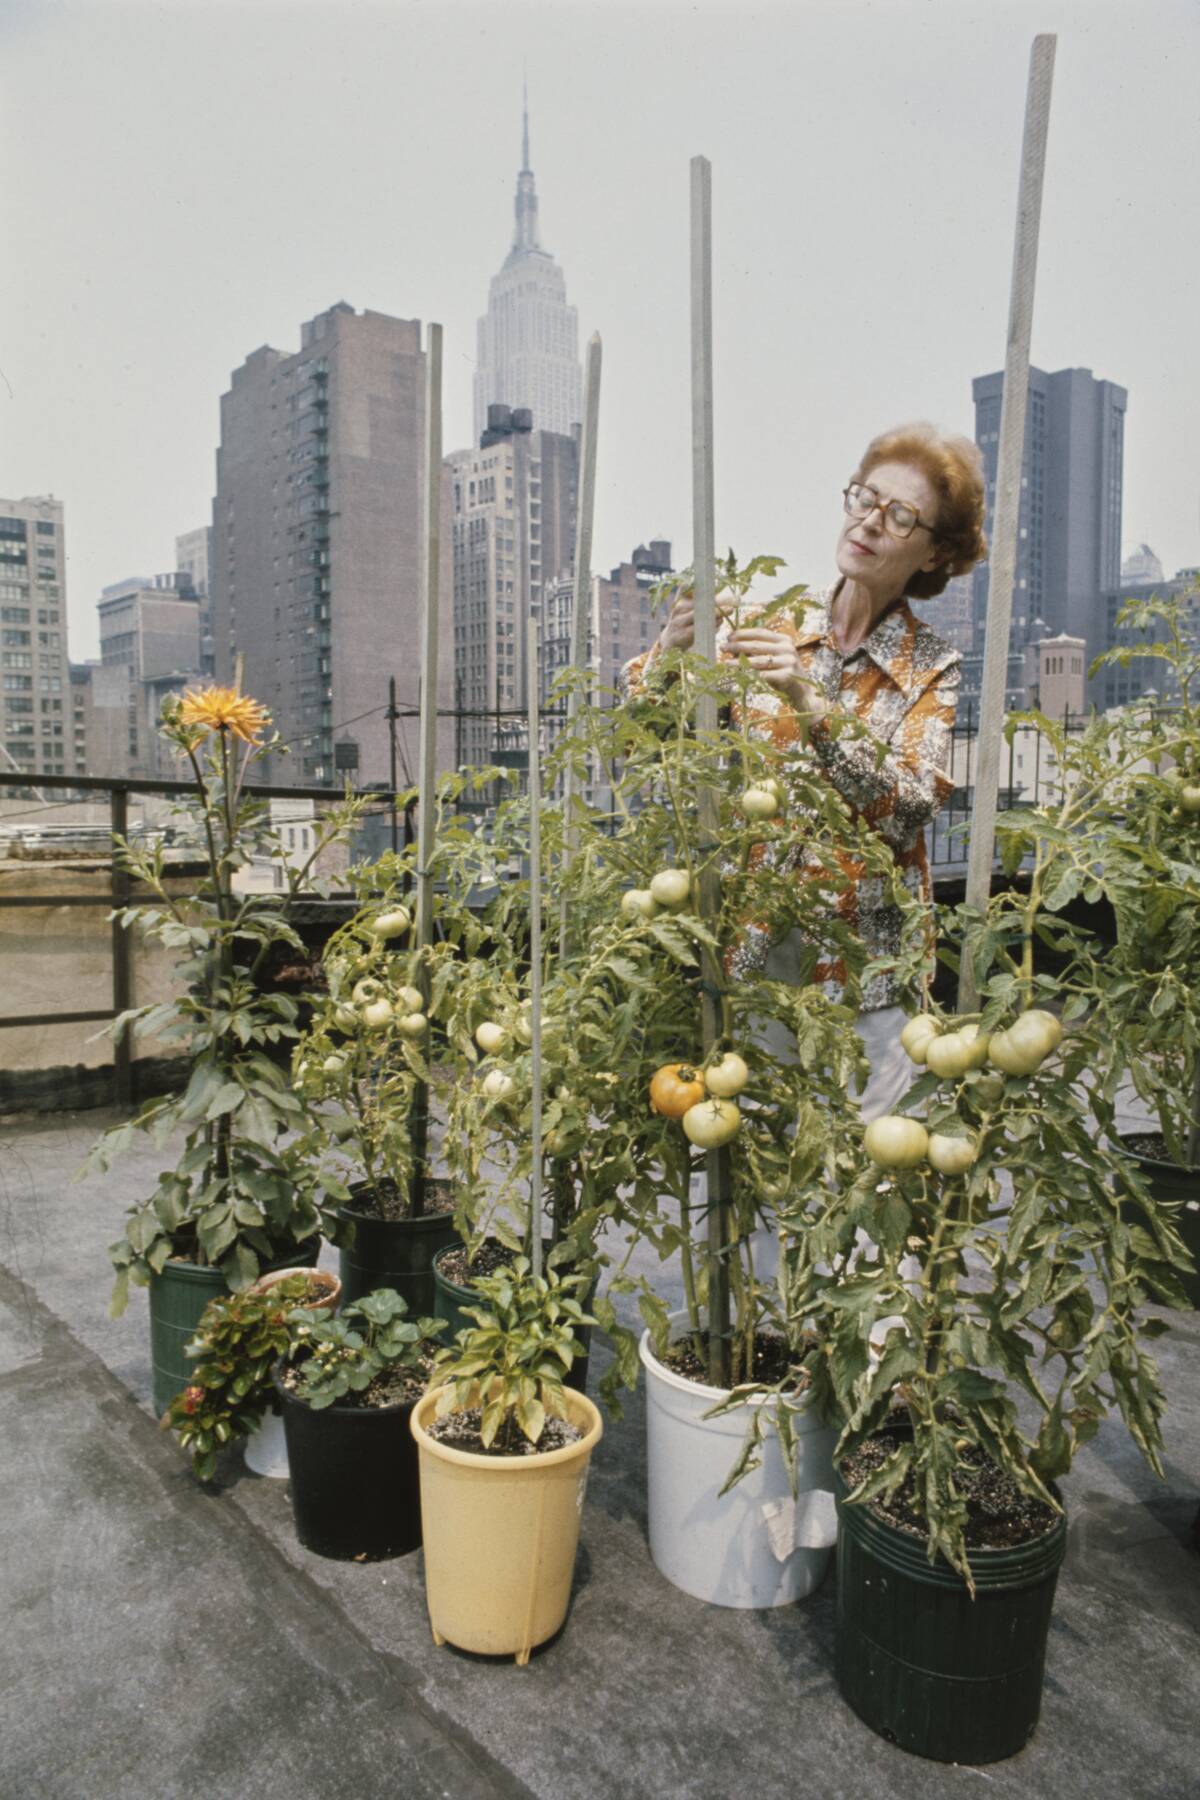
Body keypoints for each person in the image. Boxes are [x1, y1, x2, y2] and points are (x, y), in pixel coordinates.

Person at [623, 421, 987, 1120]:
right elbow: (648, 742)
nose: (869, 522)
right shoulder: (774, 623)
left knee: (867, 1165)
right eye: (865, 497)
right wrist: (667, 655)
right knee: (756, 1160)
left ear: (936, 553)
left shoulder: (928, 666)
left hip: (868, 967)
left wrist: (807, 701)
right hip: (754, 949)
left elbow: (908, 806)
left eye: (900, 515)